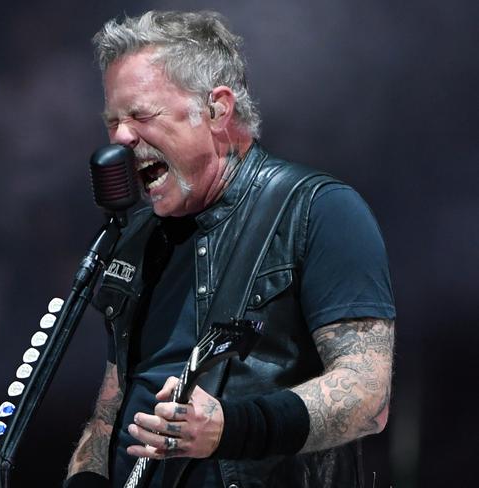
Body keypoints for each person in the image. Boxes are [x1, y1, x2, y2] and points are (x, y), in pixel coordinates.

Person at [64, 10, 395, 488]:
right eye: (113, 120)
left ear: (216, 109)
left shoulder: (319, 211)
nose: (120, 137)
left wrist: (231, 429)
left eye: (140, 115)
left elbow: (367, 397)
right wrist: (86, 478)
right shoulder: (135, 239)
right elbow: (109, 411)